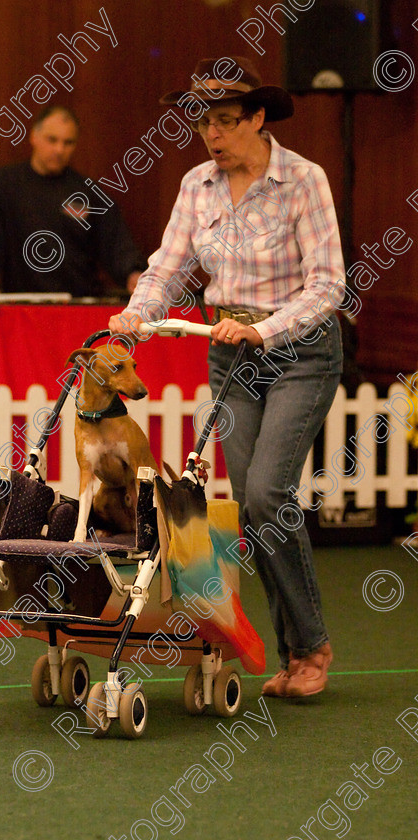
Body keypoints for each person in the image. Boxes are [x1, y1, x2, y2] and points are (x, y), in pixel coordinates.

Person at [109, 56, 345, 699]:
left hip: (299, 351)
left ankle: (312, 647)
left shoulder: (304, 181)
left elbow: (328, 286)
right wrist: (138, 312)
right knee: (251, 506)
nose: (212, 134)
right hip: (230, 354)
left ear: (259, 118)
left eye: (227, 121)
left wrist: (264, 330)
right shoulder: (198, 186)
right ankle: (295, 653)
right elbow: (168, 266)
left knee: (269, 492)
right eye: (204, 122)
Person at [0, 105, 146, 297]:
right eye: (52, 140)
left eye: (68, 142)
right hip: (20, 305)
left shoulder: (89, 193)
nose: (59, 149)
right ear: (34, 137)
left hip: (78, 304)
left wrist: (133, 273)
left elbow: (116, 243)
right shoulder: (2, 187)